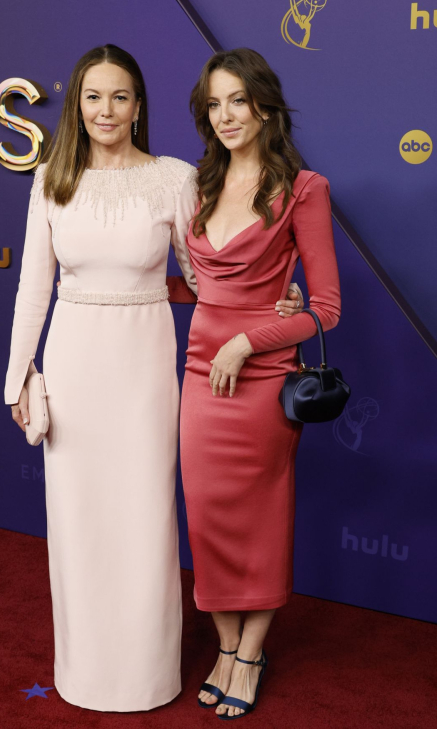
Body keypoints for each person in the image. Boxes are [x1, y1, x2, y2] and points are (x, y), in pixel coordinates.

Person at [4, 44, 200, 713]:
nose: (106, 109)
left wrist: (270, 300)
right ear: (77, 105)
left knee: (146, 516)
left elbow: (203, 277)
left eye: (120, 96)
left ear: (139, 106)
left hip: (143, 363)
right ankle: (85, 671)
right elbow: (35, 286)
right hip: (74, 360)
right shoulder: (52, 176)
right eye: (93, 96)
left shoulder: (175, 178)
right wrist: (17, 378)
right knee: (79, 520)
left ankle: (147, 675)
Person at [180, 48, 341, 719]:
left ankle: (250, 653)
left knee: (260, 522)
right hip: (197, 375)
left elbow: (324, 309)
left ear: (265, 105)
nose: (225, 116)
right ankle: (225, 645)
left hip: (262, 380)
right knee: (209, 520)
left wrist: (250, 339)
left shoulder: (305, 189)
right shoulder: (199, 187)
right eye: (213, 104)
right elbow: (202, 289)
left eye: (237, 101)